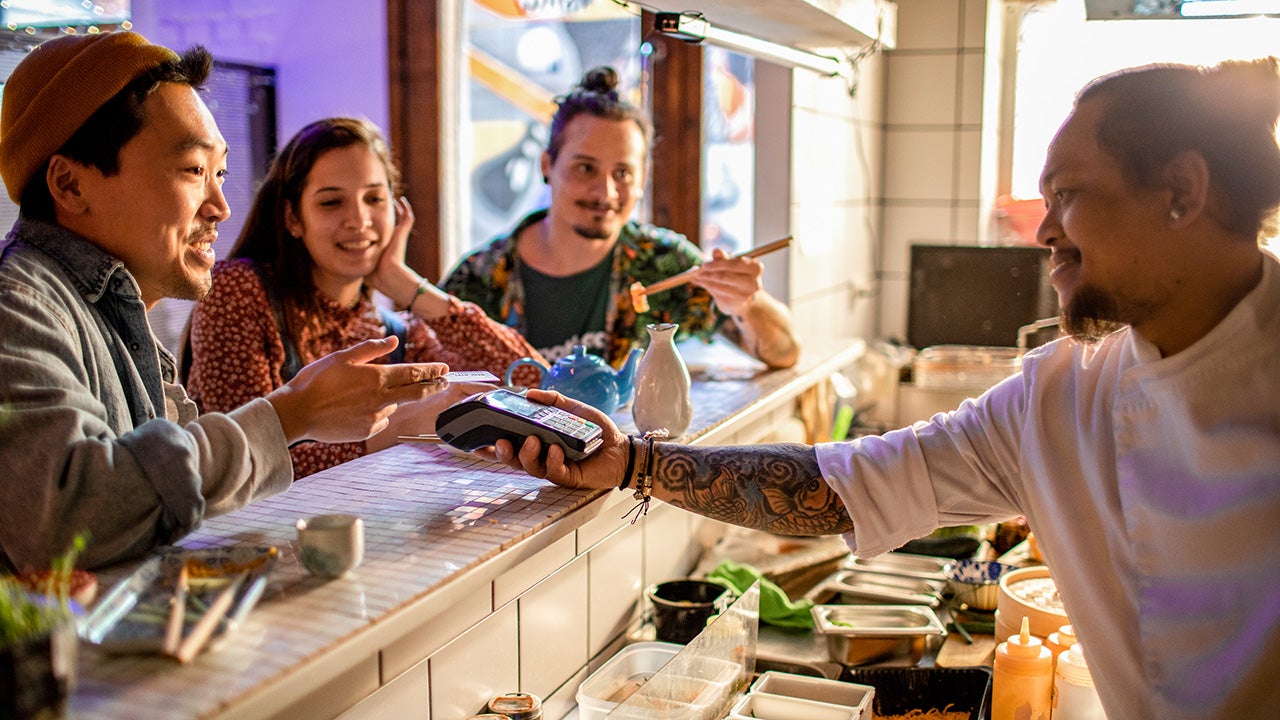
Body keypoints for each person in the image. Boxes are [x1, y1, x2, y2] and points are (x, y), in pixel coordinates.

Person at [494, 57, 1280, 719]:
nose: (1044, 232)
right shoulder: (1059, 395)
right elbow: (843, 485)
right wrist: (634, 462)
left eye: (1067, 195)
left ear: (1182, 191)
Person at [0, 33, 449, 571]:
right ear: (70, 185)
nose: (220, 206)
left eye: (221, 174)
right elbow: (64, 517)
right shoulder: (18, 306)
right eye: (193, 170)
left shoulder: (118, 313)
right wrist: (294, 413)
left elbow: (177, 499)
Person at [184, 117, 546, 478]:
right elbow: (239, 462)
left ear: (396, 211)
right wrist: (399, 425)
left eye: (374, 198)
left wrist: (404, 284)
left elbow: (532, 380)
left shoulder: (396, 332)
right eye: (331, 202)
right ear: (293, 218)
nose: (358, 220)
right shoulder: (237, 289)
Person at [441, 66, 800, 370]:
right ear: (547, 165)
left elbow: (784, 352)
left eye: (623, 173)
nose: (606, 193)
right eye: (585, 168)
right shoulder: (478, 280)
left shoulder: (662, 264)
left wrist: (746, 303)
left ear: (643, 180)